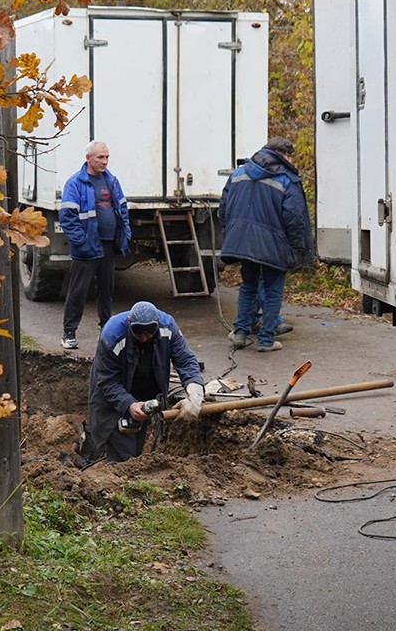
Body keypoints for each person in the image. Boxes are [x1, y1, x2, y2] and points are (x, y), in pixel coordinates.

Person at [219, 137, 314, 352]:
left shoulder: (238, 173)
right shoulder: (286, 179)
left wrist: (231, 233)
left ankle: (241, 333)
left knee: (248, 285)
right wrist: (297, 248)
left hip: (242, 241)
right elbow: (295, 218)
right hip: (274, 244)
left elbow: (223, 208)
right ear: (284, 155)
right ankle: (266, 340)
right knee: (272, 291)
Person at [86, 301, 205, 462]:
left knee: (136, 447)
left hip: (144, 391)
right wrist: (129, 404)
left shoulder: (168, 327)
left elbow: (185, 360)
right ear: (129, 323)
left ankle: (131, 471)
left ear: (157, 324)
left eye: (150, 332)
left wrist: (195, 391)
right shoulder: (112, 335)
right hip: (114, 395)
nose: (144, 338)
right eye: (138, 332)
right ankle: (115, 472)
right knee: (123, 451)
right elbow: (107, 381)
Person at [58, 140, 131, 350]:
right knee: (78, 291)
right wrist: (81, 242)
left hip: (108, 245)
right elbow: (67, 217)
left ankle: (106, 331)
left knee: (106, 290)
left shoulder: (112, 181)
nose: (105, 161)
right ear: (88, 158)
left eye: (107, 157)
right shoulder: (76, 183)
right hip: (87, 248)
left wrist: (124, 234)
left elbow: (122, 209)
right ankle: (69, 333)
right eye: (100, 157)